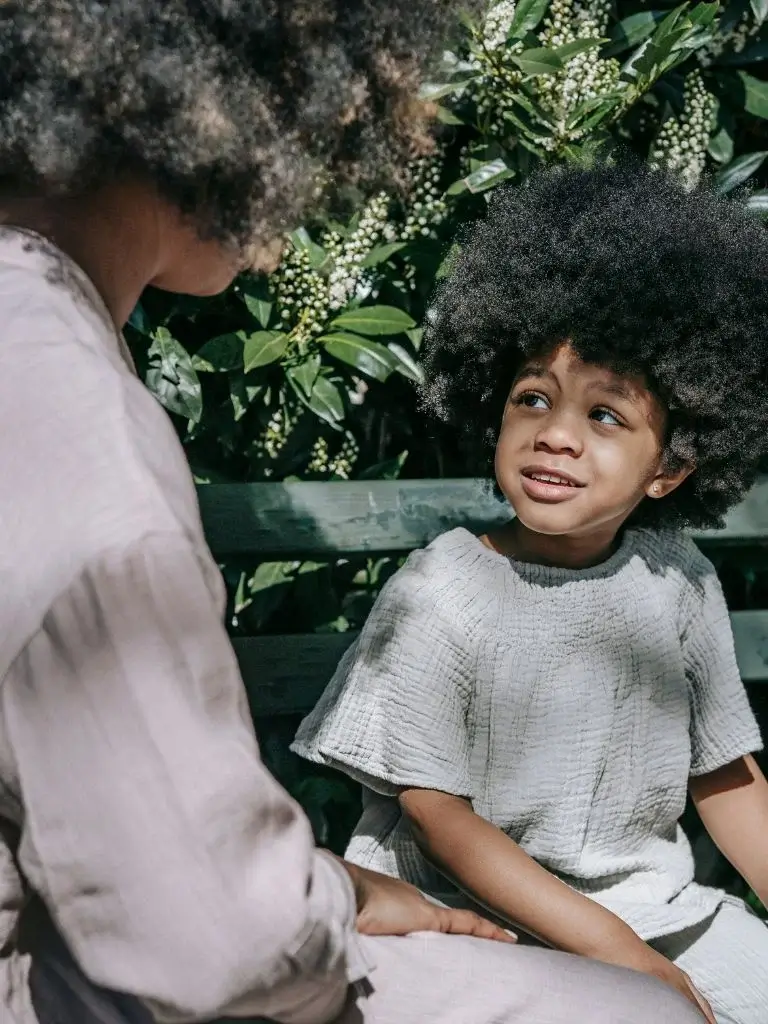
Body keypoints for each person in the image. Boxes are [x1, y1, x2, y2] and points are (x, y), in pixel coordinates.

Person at [0, 4, 708, 1023]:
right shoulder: (76, 431)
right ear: (215, 101)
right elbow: (221, 942)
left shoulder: (41, 358)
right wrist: (332, 891)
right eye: (311, 118)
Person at [293, 164, 768, 1024]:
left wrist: (641, 947)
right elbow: (438, 818)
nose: (556, 433)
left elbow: (724, 775)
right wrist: (624, 961)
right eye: (533, 398)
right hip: (474, 922)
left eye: (606, 416)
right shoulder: (444, 589)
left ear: (670, 470)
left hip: (658, 915)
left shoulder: (677, 579)